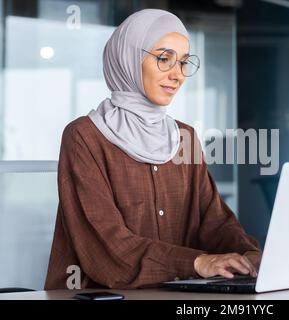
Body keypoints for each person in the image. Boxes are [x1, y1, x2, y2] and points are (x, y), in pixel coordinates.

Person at [44, 9, 261, 290]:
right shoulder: (85, 136)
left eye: (183, 63)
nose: (178, 75)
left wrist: (249, 254)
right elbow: (105, 245)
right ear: (129, 60)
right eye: (164, 58)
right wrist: (196, 263)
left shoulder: (184, 137)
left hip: (173, 295)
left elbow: (215, 222)